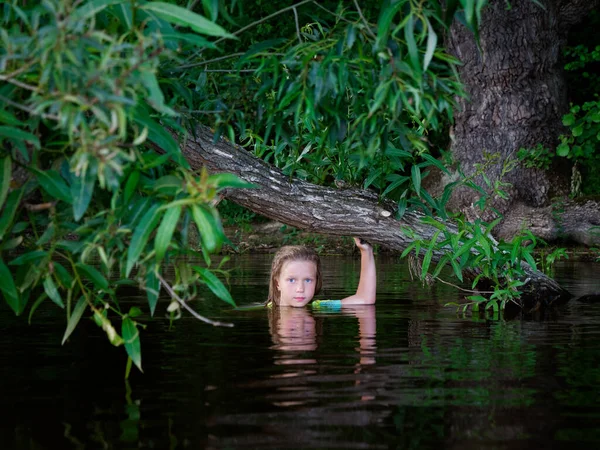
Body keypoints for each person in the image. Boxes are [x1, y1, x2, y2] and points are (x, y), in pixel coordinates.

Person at [267, 237, 376, 308]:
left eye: (308, 280)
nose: (300, 289)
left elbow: (365, 299)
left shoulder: (319, 306)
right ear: (277, 283)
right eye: (292, 280)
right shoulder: (260, 310)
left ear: (316, 281)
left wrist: (366, 251)